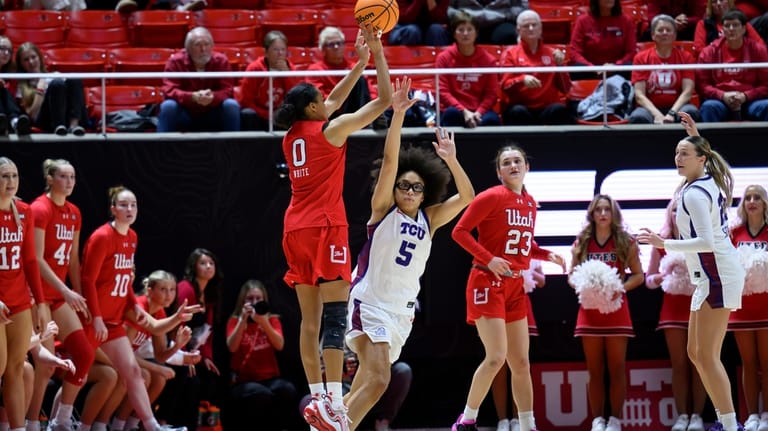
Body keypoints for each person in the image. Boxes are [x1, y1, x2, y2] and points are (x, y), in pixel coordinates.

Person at [275, 20, 392, 431]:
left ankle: (319, 399)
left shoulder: (292, 136)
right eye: (319, 99)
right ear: (312, 109)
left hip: (294, 228)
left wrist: (358, 64)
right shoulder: (333, 130)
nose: (327, 100)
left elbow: (334, 101)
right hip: (326, 227)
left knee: (309, 321)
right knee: (336, 317)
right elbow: (383, 102)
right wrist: (377, 53)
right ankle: (338, 404)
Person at [345, 77, 474, 430]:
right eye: (405, 185)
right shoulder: (383, 210)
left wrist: (451, 159)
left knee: (362, 388)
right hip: (371, 302)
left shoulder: (429, 219)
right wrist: (398, 115)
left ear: (425, 192)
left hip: (400, 313)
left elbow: (467, 197)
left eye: (417, 187)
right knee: (378, 381)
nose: (410, 190)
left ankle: (329, 426)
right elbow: (390, 162)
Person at [637, 112, 745, 431]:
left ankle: (730, 424)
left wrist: (663, 243)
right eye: (676, 153)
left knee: (707, 355)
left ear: (700, 159)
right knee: (696, 353)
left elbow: (706, 242)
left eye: (685, 153)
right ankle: (726, 421)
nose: (678, 158)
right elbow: (709, 159)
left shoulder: (696, 193)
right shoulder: (704, 179)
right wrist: (695, 135)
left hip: (717, 272)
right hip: (709, 274)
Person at [450, 145, 567, 431]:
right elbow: (459, 232)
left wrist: (546, 254)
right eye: (506, 162)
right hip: (486, 281)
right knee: (495, 358)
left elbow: (522, 244)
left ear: (527, 167)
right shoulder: (491, 196)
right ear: (499, 172)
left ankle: (528, 425)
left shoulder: (530, 203)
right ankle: (466, 420)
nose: (513, 165)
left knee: (521, 362)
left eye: (518, 161)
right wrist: (489, 259)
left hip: (515, 284)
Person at [80, 185, 201, 431]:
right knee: (80, 377)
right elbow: (87, 280)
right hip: (95, 320)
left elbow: (156, 331)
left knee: (135, 373)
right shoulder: (102, 237)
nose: (130, 209)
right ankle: (64, 422)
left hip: (112, 323)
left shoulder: (132, 238)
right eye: (124, 205)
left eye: (133, 205)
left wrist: (178, 319)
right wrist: (97, 317)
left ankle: (146, 425)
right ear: (113, 209)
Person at [28, 159, 97, 431]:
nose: (69, 182)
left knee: (84, 355)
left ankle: (62, 420)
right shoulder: (39, 209)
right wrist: (66, 291)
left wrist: (78, 295)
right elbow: (36, 259)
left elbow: (73, 260)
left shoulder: (74, 212)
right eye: (63, 176)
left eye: (73, 177)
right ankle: (31, 422)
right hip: (37, 295)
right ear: (50, 179)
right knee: (45, 366)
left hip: (59, 296)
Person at [570, 194, 644, 431]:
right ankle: (597, 419)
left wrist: (618, 288)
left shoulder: (625, 241)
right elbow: (572, 276)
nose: (603, 214)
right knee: (594, 370)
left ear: (614, 214)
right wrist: (586, 287)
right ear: (592, 214)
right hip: (589, 311)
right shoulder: (582, 241)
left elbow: (638, 275)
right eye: (598, 210)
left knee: (617, 368)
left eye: (607, 209)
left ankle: (615, 420)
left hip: (616, 309)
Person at [644, 199, 707, 431]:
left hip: (698, 307)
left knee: (699, 363)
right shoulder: (661, 243)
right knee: (679, 364)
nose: (678, 213)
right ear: (669, 215)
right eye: (674, 210)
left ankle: (697, 416)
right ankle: (682, 416)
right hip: (672, 311)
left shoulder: (701, 240)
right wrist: (664, 276)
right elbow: (649, 281)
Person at [0, 157, 49, 431]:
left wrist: (40, 303)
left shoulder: (24, 211)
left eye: (14, 176)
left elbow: (30, 261)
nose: (10, 182)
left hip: (18, 300)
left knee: (17, 368)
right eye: (4, 176)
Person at [115, 270, 192, 431]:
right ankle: (117, 425)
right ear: (149, 290)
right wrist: (157, 368)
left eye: (172, 290)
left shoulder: (159, 312)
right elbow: (122, 354)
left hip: (128, 359)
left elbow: (160, 355)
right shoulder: (138, 307)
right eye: (163, 289)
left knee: (159, 378)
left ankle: (132, 425)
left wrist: (177, 346)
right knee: (145, 375)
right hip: (113, 355)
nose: (169, 295)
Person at [161, 248, 224, 431]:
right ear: (193, 267)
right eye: (203, 263)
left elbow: (207, 330)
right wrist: (184, 356)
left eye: (211, 263)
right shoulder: (186, 288)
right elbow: (175, 324)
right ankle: (168, 422)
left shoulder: (210, 294)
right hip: (172, 347)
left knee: (212, 377)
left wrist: (206, 357)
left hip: (192, 350)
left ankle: (204, 425)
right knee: (190, 380)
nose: (208, 266)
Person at [226, 279, 298, 431]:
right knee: (260, 394)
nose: (254, 302)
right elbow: (232, 348)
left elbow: (279, 345)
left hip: (270, 378)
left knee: (287, 389)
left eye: (258, 298)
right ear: (243, 301)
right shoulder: (234, 321)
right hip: (244, 380)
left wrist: (264, 323)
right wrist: (242, 321)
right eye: (250, 298)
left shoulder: (272, 319)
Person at [728, 184, 768, 431]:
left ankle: (767, 415)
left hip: (766, 307)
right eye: (747, 198)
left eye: (757, 197)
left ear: (765, 203)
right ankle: (752, 415)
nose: (752, 201)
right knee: (748, 362)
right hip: (741, 308)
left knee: (767, 362)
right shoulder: (735, 233)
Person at [298, 349, 413, 431]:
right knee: (308, 401)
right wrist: (339, 371)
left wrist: (366, 366)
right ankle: (337, 425)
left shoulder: (369, 325)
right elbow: (319, 372)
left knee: (402, 370)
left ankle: (383, 421)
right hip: (342, 388)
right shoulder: (333, 330)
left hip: (371, 385)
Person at [491, 260, 545, 431]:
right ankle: (502, 421)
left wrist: (526, 273)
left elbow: (542, 281)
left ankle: (518, 420)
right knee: (497, 365)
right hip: (496, 301)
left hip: (520, 304)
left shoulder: (531, 250)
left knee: (520, 365)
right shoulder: (496, 247)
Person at [158, 27, 241, 132]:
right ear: (188, 48)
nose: (203, 49)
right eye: (198, 45)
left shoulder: (221, 61)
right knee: (168, 106)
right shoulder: (175, 62)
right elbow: (169, 90)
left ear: (212, 46)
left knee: (231, 105)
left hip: (213, 112)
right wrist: (192, 97)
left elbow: (228, 90)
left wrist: (213, 97)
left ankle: (233, 142)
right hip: (185, 112)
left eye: (207, 44)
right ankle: (162, 142)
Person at [499, 10, 574, 125]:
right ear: (518, 30)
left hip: (547, 108)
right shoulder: (510, 54)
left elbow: (566, 88)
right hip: (521, 107)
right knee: (517, 112)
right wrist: (522, 79)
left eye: (534, 25)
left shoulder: (552, 53)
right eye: (526, 26)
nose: (531, 28)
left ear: (541, 28)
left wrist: (561, 65)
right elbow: (505, 86)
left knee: (559, 110)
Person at [695, 9, 768, 122]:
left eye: (735, 25)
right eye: (727, 26)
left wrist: (746, 95)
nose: (731, 29)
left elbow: (766, 84)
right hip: (720, 100)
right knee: (709, 107)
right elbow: (702, 85)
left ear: (744, 28)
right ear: (722, 29)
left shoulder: (758, 50)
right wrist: (722, 95)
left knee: (766, 106)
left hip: (751, 100)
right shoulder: (709, 51)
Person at [307, 27, 386, 128]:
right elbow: (319, 99)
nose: (336, 47)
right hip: (331, 111)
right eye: (331, 44)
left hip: (355, 108)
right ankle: (369, 121)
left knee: (361, 81)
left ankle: (372, 119)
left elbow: (369, 91)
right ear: (323, 48)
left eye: (339, 43)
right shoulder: (315, 70)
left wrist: (376, 106)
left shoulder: (354, 67)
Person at [629, 14, 701, 124]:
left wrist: (671, 113)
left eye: (668, 30)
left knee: (690, 112)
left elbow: (687, 92)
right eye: (660, 30)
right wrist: (657, 114)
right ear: (653, 35)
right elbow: (639, 95)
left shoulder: (686, 57)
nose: (664, 33)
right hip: (650, 109)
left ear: (675, 35)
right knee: (637, 116)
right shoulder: (640, 58)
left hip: (678, 107)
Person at [435, 11, 501, 128]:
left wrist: (478, 112)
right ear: (454, 34)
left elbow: (491, 93)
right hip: (454, 109)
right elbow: (443, 92)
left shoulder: (488, 60)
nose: (465, 33)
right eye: (461, 30)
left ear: (476, 33)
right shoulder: (443, 58)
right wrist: (463, 111)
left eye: (469, 29)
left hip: (480, 111)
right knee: (451, 115)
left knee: (492, 120)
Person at [15, 42, 87, 136]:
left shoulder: (54, 75)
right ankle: (59, 127)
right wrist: (40, 91)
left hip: (67, 116)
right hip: (45, 121)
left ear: (39, 58)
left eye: (33, 57)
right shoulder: (22, 86)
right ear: (21, 64)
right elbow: (31, 115)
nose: (31, 62)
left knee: (74, 79)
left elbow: (74, 95)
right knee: (56, 84)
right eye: (26, 60)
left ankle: (74, 125)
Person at [238, 31, 303, 131]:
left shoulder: (291, 69)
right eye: (275, 49)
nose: (280, 53)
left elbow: (296, 98)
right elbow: (245, 101)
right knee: (247, 113)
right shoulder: (255, 68)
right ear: (266, 52)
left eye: (283, 49)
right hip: (259, 113)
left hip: (280, 115)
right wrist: (267, 114)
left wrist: (287, 74)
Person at [568, 0, 636, 80]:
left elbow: (631, 52)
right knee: (576, 68)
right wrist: (592, 68)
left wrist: (616, 66)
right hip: (590, 72)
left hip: (617, 70)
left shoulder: (626, 20)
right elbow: (574, 52)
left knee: (630, 66)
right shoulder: (582, 21)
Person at [694, 0, 764, 54]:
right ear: (710, 6)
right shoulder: (703, 24)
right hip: (714, 63)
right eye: (714, 1)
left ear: (729, 2)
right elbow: (699, 50)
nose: (718, 3)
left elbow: (761, 46)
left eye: (722, 0)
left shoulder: (741, 22)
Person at [446, 0, 525, 45]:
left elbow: (520, 8)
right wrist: (462, 16)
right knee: (464, 33)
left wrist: (505, 15)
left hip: (500, 21)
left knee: (507, 34)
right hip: (468, 20)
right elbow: (450, 9)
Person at [0, 36, 31, 136]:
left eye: (9, 50)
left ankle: (15, 123)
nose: (6, 53)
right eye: (2, 48)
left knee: (4, 91)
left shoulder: (13, 74)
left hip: (7, 115)